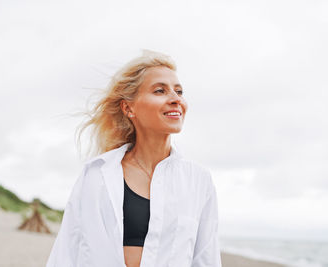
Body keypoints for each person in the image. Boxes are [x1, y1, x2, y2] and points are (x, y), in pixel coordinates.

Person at [45, 50, 222, 267]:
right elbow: (66, 254)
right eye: (160, 90)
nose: (176, 99)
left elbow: (206, 259)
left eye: (179, 91)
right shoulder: (96, 174)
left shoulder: (198, 181)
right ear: (128, 107)